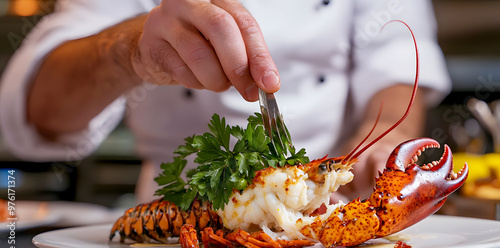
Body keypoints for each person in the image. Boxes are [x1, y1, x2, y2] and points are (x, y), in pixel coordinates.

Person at [0, 0, 451, 204]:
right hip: (168, 227)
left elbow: (394, 60)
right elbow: (33, 109)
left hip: (333, 200)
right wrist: (127, 50)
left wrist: (381, 145)